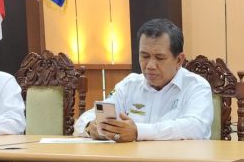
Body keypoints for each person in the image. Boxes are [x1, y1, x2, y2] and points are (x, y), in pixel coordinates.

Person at [74, 18, 212, 142]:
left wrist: (138, 131)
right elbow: (87, 118)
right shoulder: (129, 85)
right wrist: (90, 127)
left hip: (178, 161)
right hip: (134, 160)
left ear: (179, 60)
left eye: (159, 58)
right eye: (144, 56)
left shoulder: (196, 86)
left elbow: (197, 127)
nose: (150, 65)